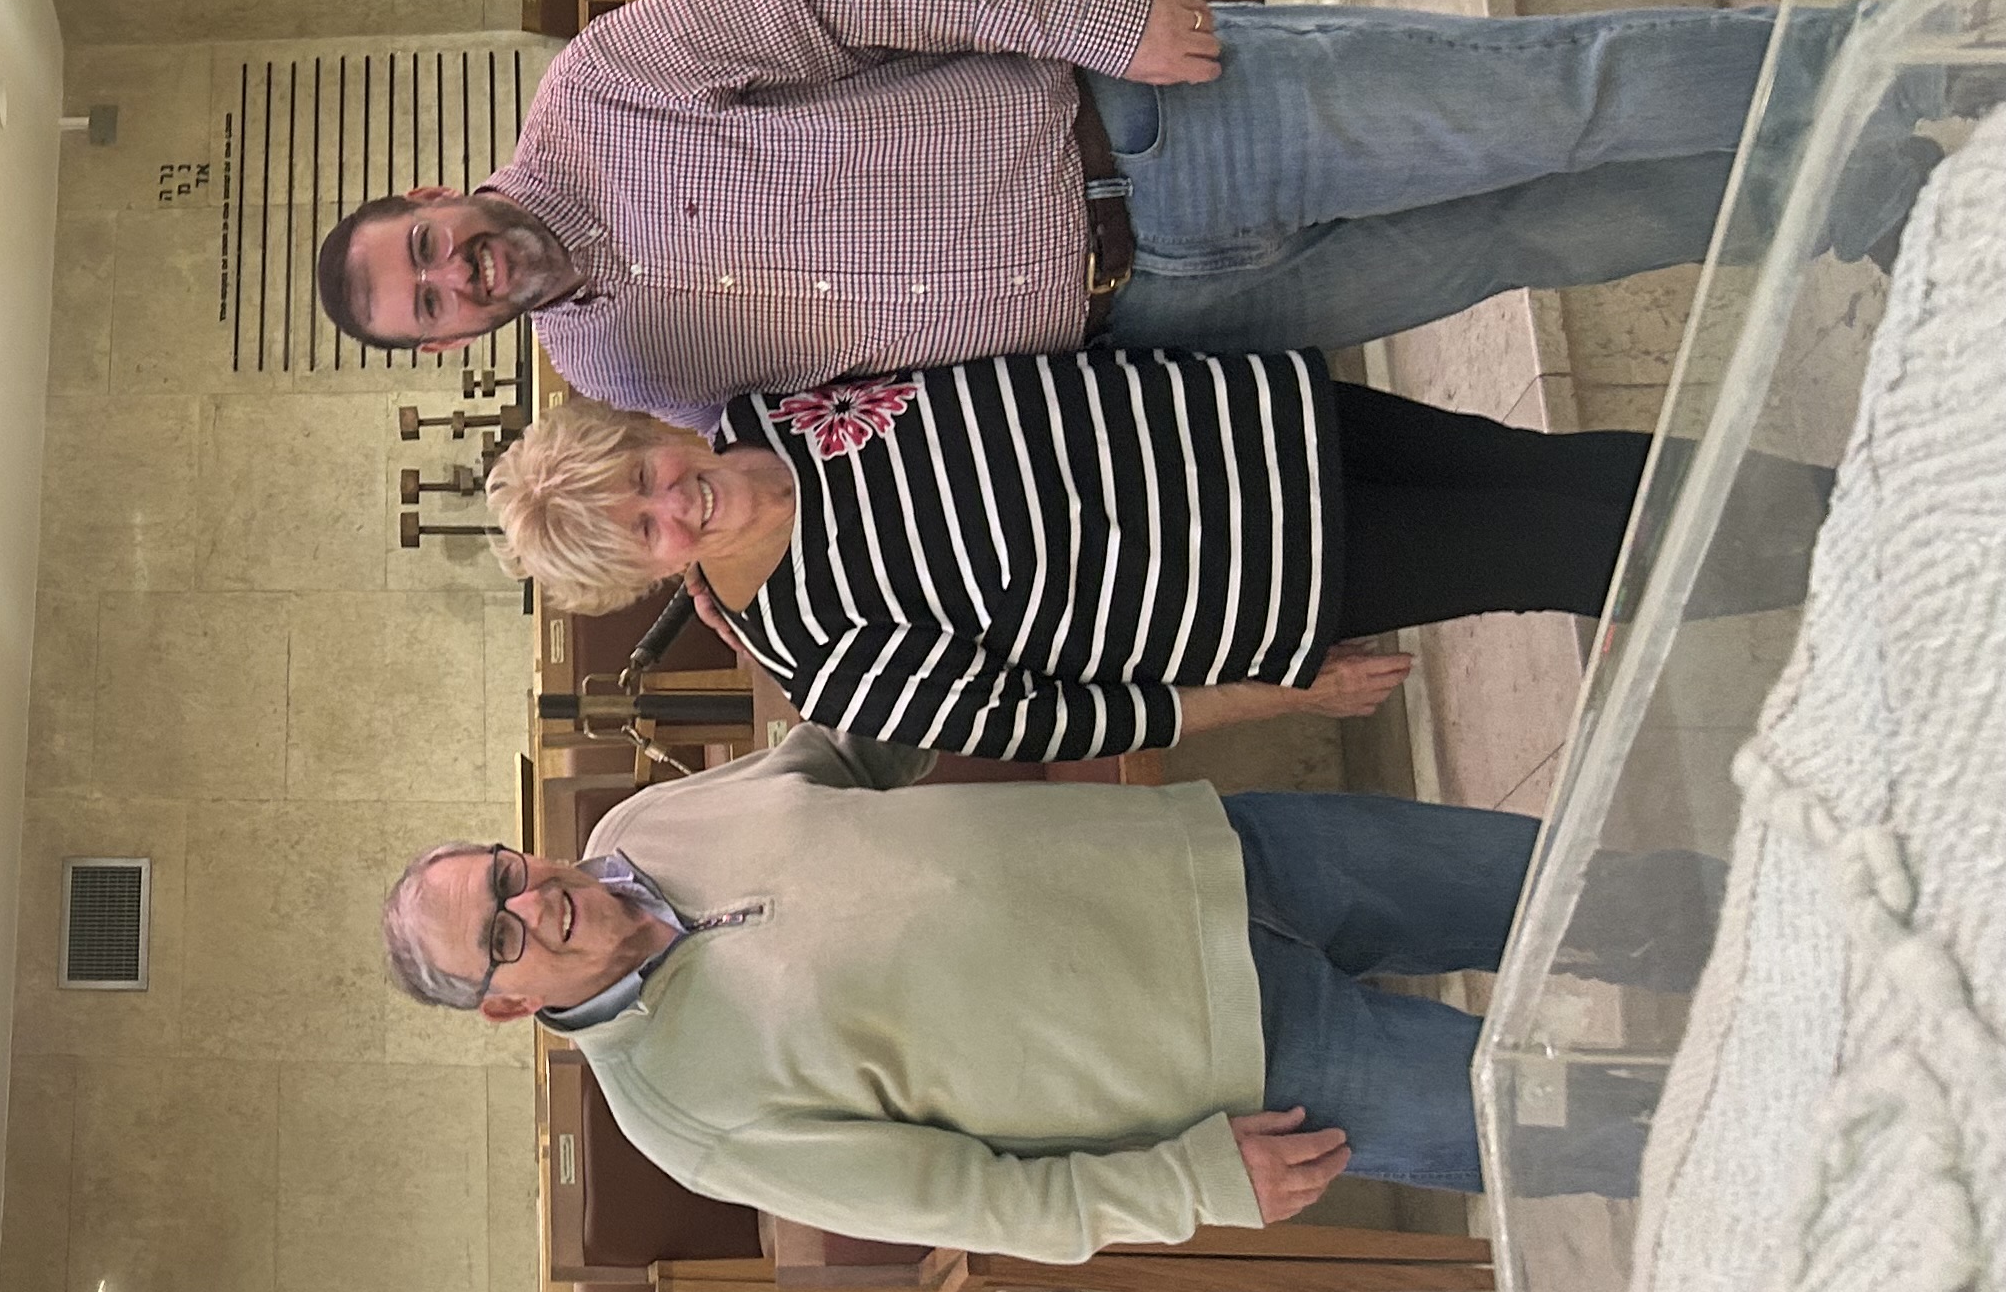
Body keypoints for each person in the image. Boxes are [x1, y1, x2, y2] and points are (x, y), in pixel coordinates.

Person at [309, 0, 1915, 426]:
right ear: (451, 348)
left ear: (443, 192)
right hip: (1159, 309)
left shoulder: (600, 87)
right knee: (1529, 237)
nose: (464, 276)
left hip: (1148, 130)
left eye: (433, 246)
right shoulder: (612, 367)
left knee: (1557, 101)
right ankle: (1859, 188)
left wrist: (1094, 16)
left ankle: (1899, 49)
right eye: (436, 306)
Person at [379, 725, 1679, 1259]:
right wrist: (1184, 1184)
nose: (528, 898)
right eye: (497, 936)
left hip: (1225, 856)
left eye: (501, 869)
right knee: (1593, 1125)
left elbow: (858, 743)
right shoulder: (684, 1118)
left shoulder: (652, 815)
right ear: (505, 1008)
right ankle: (1860, 1161)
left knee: (1605, 896)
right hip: (1249, 1061)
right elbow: (970, 1200)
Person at [478, 354, 1763, 760]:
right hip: (1277, 567)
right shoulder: (822, 654)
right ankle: (1868, 538)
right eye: (643, 531)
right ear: (644, 577)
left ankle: (1845, 484)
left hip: (1261, 413)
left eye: (640, 474)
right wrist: (1284, 690)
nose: (675, 503)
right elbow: (1055, 725)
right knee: (1570, 548)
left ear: (643, 428)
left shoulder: (766, 408)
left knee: (1558, 467)